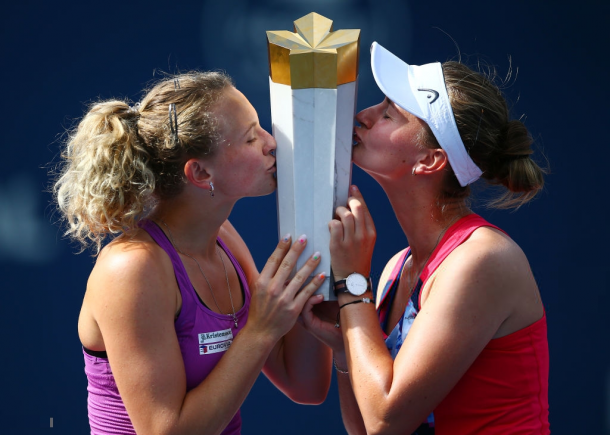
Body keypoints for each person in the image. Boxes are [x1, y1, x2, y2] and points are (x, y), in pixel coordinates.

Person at [53, 71, 332, 435]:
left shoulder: (225, 238)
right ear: (200, 172)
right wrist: (261, 330)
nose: (272, 143)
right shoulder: (132, 269)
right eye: (251, 137)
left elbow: (305, 386)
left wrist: (318, 268)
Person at [302, 42, 550, 434]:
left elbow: (387, 420)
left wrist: (353, 287)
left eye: (388, 113)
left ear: (430, 160)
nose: (362, 116)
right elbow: (365, 428)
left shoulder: (482, 259)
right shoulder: (394, 270)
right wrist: (343, 344)